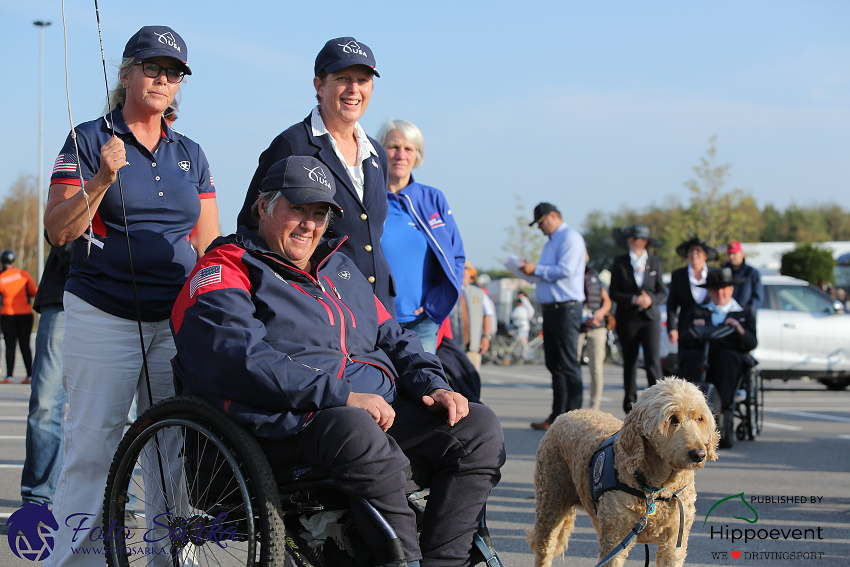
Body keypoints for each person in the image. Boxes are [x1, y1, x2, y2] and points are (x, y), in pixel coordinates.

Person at [172, 156, 505, 567]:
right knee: (355, 428)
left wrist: (432, 384)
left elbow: (393, 336)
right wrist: (342, 396)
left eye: (319, 214)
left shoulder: (339, 268)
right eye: (297, 210)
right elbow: (240, 360)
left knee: (477, 426)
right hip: (287, 424)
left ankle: (444, 563)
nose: (309, 225)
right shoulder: (227, 267)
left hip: (371, 415)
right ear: (263, 207)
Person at [42, 26, 219, 566]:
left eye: (173, 73)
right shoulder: (88, 138)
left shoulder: (191, 153)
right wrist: (100, 179)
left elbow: (207, 245)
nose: (162, 80)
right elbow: (58, 231)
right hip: (104, 313)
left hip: (174, 321)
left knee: (171, 448)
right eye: (152, 68)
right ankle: (75, 560)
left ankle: (169, 561)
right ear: (126, 74)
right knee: (92, 447)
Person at [237, 37, 397, 315]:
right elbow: (252, 225)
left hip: (378, 308)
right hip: (320, 308)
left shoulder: (377, 155)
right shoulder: (292, 145)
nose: (354, 89)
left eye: (363, 80)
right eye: (343, 78)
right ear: (319, 85)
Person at [376, 120, 465, 353]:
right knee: (377, 389)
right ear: (379, 151)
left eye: (409, 149)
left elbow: (456, 257)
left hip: (421, 325)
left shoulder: (433, 199)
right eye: (393, 146)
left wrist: (434, 306)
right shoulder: (366, 197)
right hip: (374, 323)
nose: (400, 155)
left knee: (423, 389)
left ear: (417, 155)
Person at [520, 203, 586, 430]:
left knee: (568, 364)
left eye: (541, 222)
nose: (540, 228)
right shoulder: (552, 242)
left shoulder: (570, 237)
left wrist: (535, 270)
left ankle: (575, 419)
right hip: (552, 310)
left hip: (566, 308)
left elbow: (565, 270)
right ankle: (559, 416)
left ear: (554, 216)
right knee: (555, 365)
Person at [20, 241, 71, 504]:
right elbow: (60, 234)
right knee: (46, 405)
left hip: (128, 304)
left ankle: (120, 501)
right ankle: (37, 499)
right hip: (63, 296)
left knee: (123, 413)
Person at [678, 267, 758, 421]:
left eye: (724, 289)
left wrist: (739, 329)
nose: (720, 293)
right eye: (715, 289)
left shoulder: (744, 312)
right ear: (710, 291)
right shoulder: (698, 311)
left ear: (731, 289)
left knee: (727, 358)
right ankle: (692, 404)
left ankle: (724, 406)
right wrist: (695, 328)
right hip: (703, 357)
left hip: (729, 361)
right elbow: (683, 339)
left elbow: (751, 343)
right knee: (691, 357)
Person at [608, 224, 666, 414]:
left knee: (652, 361)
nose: (631, 241)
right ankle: (630, 403)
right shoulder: (620, 262)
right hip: (628, 317)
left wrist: (651, 300)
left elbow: (661, 292)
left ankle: (658, 401)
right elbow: (614, 292)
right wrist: (632, 299)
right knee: (630, 361)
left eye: (635, 238)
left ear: (644, 242)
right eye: (630, 238)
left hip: (650, 317)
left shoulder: (654, 262)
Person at [667, 236, 717, 358]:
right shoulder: (679, 275)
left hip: (710, 326)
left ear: (705, 255)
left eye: (698, 250)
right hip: (686, 326)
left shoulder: (714, 274)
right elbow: (672, 304)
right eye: (691, 251)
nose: (694, 254)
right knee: (686, 360)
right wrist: (672, 328)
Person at [578, 254, 612, 411]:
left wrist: (600, 313)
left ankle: (594, 408)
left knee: (596, 368)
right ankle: (573, 406)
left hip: (597, 325)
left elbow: (607, 301)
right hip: (578, 325)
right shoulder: (571, 274)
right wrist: (582, 317)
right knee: (573, 367)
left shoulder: (594, 275)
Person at [0, 250, 37, 383]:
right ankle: (29, 375)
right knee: (25, 345)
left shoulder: (1, 277)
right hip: (25, 314)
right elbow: (33, 292)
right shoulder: (24, 274)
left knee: (10, 346)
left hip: (7, 315)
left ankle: (9, 376)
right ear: (13, 261)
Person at [448, 262, 492, 370]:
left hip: (473, 346)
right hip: (452, 346)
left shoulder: (479, 293)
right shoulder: (448, 290)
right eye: (461, 269)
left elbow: (488, 315)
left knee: (472, 380)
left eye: (467, 270)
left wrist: (486, 336)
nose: (464, 273)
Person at [724, 241, 763, 310]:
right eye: (729, 253)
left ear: (742, 254)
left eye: (734, 253)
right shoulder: (723, 272)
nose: (731, 256)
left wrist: (748, 312)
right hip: (726, 315)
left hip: (745, 315)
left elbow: (757, 298)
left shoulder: (752, 273)